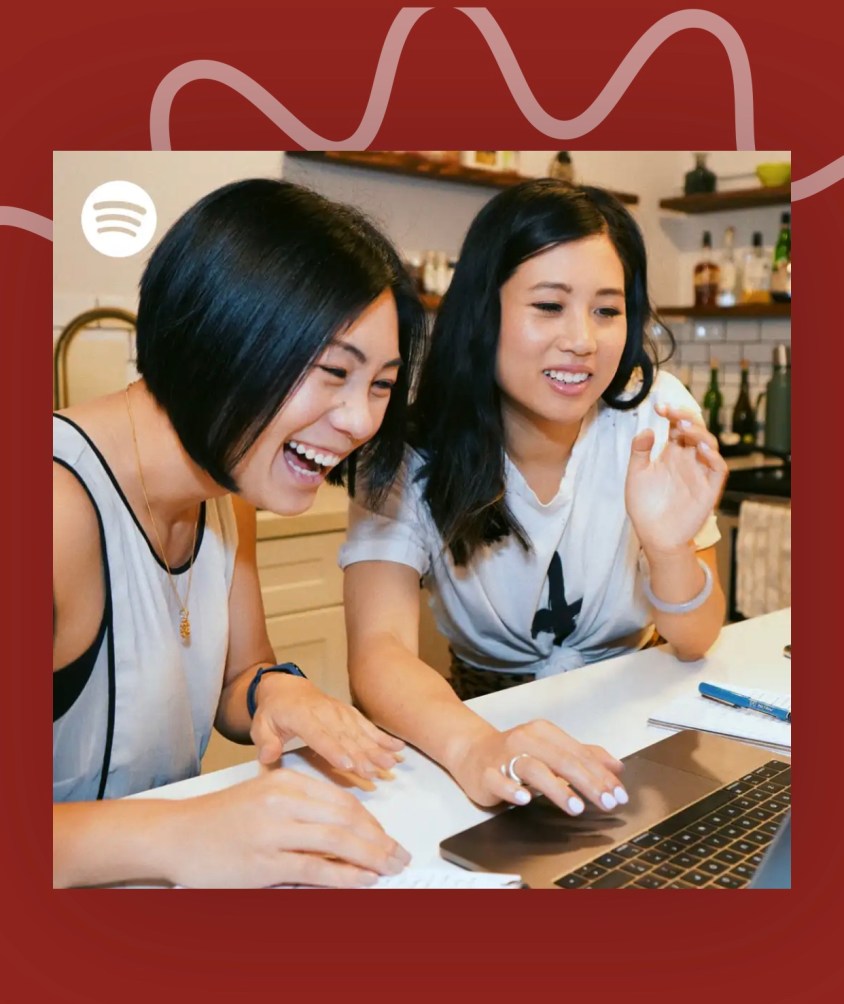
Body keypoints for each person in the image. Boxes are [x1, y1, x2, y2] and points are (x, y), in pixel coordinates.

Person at [53, 178, 427, 888]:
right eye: (333, 373)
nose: (359, 420)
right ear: (221, 338)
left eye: (380, 384)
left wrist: (279, 694)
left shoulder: (230, 485)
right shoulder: (54, 510)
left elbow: (236, 674)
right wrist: (189, 831)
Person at [341, 179, 728, 820]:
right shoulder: (410, 451)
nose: (582, 339)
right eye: (549, 306)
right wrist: (476, 747)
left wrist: (667, 548)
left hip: (635, 717)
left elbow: (697, 638)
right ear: (483, 312)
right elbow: (376, 654)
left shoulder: (655, 416)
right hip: (479, 727)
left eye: (607, 310)